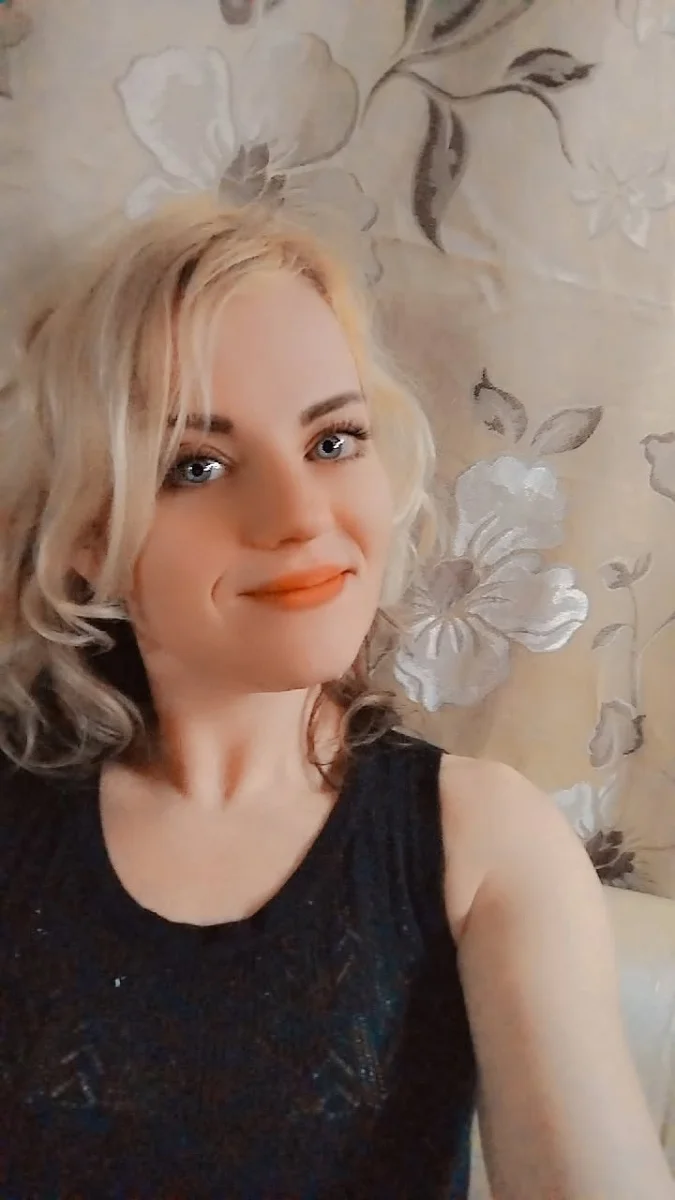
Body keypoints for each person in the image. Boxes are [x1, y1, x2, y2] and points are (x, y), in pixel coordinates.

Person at [0, 198, 672, 1200]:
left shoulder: (485, 844)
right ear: (89, 537)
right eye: (197, 465)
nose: (299, 516)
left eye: (332, 442)